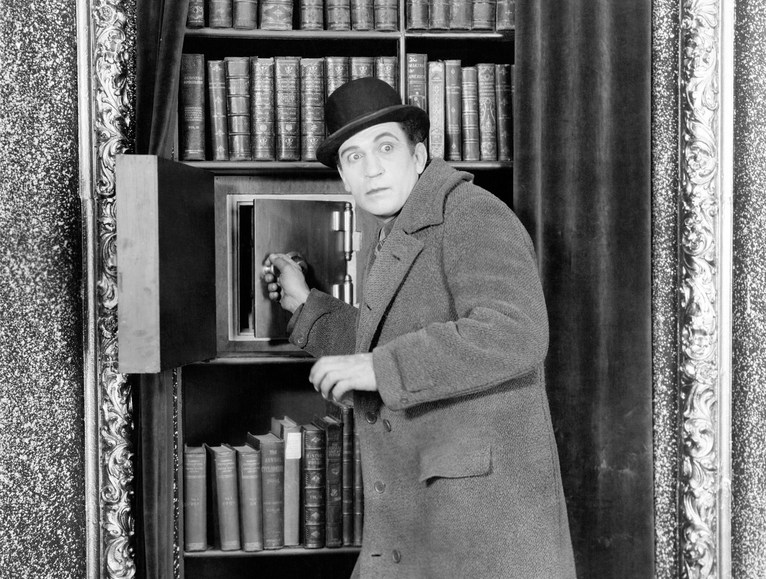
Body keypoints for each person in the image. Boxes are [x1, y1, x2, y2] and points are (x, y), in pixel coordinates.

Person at [264, 77, 576, 578]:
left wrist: (379, 368)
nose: (372, 168)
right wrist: (305, 306)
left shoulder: (471, 213)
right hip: (428, 515)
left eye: (385, 147)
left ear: (419, 154)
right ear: (343, 177)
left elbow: (515, 330)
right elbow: (386, 340)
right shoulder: (396, 231)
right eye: (353, 157)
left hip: (484, 532)